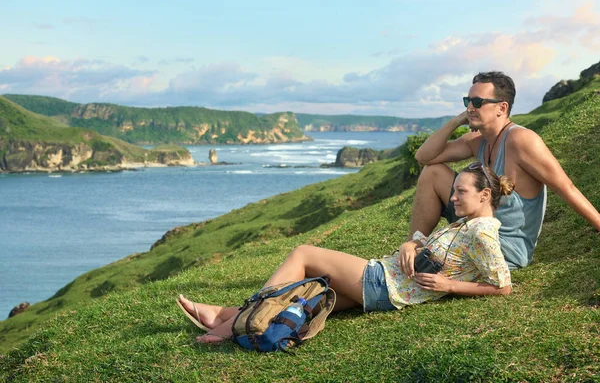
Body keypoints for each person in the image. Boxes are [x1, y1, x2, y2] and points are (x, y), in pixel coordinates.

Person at [178, 163, 513, 343]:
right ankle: (224, 314)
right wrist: (409, 244)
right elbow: (435, 250)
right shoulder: (468, 224)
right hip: (390, 284)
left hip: (384, 283)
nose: (452, 198)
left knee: (302, 254)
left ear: (485, 195)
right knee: (305, 294)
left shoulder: (483, 233)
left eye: (460, 192)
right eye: (454, 191)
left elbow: (503, 286)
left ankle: (228, 326)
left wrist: (451, 287)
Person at [398, 71, 600, 276]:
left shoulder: (521, 140)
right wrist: (456, 121)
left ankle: (417, 255)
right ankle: (413, 246)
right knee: (432, 172)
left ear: (502, 108)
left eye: (477, 102)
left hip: (503, 248)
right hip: (476, 230)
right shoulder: (479, 141)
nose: (469, 108)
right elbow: (424, 157)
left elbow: (566, 188)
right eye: (467, 101)